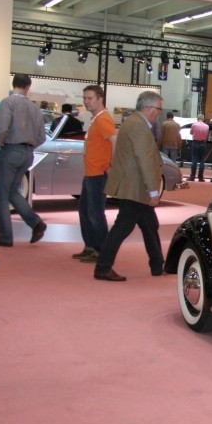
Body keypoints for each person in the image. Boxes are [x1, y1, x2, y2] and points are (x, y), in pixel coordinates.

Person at [93, 91, 165, 282]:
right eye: (159, 109)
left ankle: (158, 264)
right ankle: (103, 267)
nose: (160, 113)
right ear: (149, 108)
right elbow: (144, 159)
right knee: (123, 227)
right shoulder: (138, 126)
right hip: (135, 186)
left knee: (150, 225)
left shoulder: (134, 122)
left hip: (134, 185)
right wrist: (153, 190)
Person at [0, 73, 48, 247]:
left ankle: (6, 236)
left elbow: (2, 128)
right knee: (12, 191)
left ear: (13, 84)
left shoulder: (8, 102)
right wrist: (29, 146)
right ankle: (36, 223)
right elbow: (42, 137)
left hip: (10, 150)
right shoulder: (35, 108)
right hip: (28, 153)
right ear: (28, 87)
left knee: (1, 194)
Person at [71, 84, 117, 263]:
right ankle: (90, 246)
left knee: (95, 213)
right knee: (85, 211)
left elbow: (114, 140)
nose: (86, 101)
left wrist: (111, 165)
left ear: (100, 99)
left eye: (90, 98)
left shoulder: (103, 118)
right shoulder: (96, 118)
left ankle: (101, 251)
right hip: (91, 172)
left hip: (98, 173)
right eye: (84, 98)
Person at [188, 114, 209, 181]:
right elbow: (207, 135)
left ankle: (192, 176)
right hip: (203, 143)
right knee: (202, 160)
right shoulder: (207, 126)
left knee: (194, 159)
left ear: (197, 118)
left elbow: (191, 133)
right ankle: (200, 177)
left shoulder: (194, 125)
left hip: (195, 142)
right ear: (203, 119)